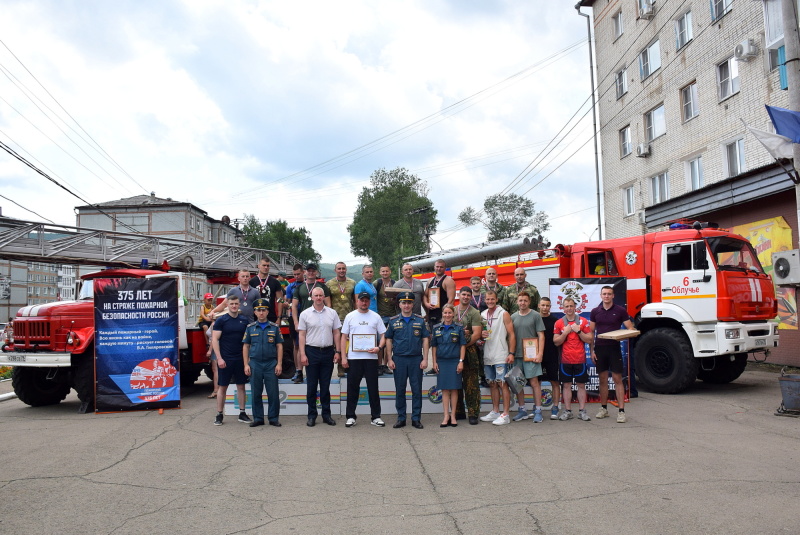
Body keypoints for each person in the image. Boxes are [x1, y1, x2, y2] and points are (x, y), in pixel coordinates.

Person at [340, 291, 387, 428]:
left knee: (373, 388)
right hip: (354, 358)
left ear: (369, 302)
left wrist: (379, 347)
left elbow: (384, 335)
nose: (364, 302)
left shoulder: (376, 317)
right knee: (352, 388)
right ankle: (350, 416)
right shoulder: (350, 316)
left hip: (371, 358)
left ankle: (376, 416)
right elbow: (343, 337)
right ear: (357, 301)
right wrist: (344, 356)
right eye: (362, 300)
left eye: (366, 300)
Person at [590, 285, 635, 423]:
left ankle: (621, 412)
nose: (607, 296)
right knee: (602, 380)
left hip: (614, 349)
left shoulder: (620, 310)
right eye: (604, 294)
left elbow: (630, 328)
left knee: (617, 379)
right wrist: (592, 350)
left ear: (613, 295)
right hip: (600, 349)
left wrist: (626, 333)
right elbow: (591, 332)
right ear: (601, 295)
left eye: (609, 294)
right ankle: (603, 409)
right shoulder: (595, 311)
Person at [385, 291, 430, 429]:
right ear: (399, 304)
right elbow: (388, 340)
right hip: (399, 359)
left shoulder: (420, 321)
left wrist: (426, 359)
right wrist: (389, 359)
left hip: (416, 359)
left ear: (412, 304)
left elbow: (425, 340)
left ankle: (416, 418)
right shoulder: (393, 321)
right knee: (400, 390)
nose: (406, 305)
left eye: (409, 302)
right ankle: (401, 418)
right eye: (404, 302)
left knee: (416, 390)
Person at [298, 287, 342, 427]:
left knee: (325, 386)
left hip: (328, 352)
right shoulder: (305, 314)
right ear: (312, 297)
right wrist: (303, 354)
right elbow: (302, 335)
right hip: (311, 352)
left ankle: (326, 415)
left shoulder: (332, 313)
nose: (318, 298)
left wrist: (338, 351)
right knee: (311, 386)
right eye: (316, 295)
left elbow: (336, 333)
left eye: (320, 295)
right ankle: (311, 415)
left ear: (324, 297)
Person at [210, 295, 252, 426]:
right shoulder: (221, 320)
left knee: (241, 386)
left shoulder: (244, 321)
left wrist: (247, 360)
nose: (234, 306)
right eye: (231, 303)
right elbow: (215, 340)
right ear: (227, 305)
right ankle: (219, 414)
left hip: (240, 359)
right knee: (222, 387)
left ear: (239, 305)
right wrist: (219, 358)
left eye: (236, 303)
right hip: (225, 359)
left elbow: (248, 342)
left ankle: (242, 413)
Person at [243, 298, 283, 428]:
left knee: (273, 393)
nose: (261, 312)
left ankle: (273, 418)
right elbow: (245, 346)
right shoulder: (250, 328)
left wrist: (279, 364)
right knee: (256, 393)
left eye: (263, 310)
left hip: (271, 363)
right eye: (258, 310)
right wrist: (246, 364)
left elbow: (279, 346)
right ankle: (258, 418)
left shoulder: (274, 328)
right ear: (255, 312)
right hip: (255, 364)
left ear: (267, 312)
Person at [478, 290, 516, 426]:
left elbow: (511, 334)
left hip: (501, 354)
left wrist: (511, 353)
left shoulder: (503, 313)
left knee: (502, 383)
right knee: (492, 383)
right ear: (484, 300)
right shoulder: (482, 315)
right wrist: (481, 336)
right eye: (487, 299)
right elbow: (481, 335)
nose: (490, 301)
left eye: (492, 299)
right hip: (488, 354)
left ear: (497, 299)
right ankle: (495, 411)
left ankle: (505, 414)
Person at [553, 297, 593, 422]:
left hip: (580, 359)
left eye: (571, 306)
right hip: (565, 361)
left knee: (581, 385)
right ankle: (568, 411)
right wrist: (565, 333)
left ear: (575, 307)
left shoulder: (583, 321)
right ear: (563, 308)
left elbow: (590, 339)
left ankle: (582, 411)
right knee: (566, 385)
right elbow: (556, 342)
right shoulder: (559, 323)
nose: (569, 308)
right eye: (567, 306)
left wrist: (579, 331)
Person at [291, 263, 332, 384]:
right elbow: (293, 306)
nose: (311, 273)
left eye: (313, 271)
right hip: (304, 321)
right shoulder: (299, 287)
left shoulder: (322, 287)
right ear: (305, 272)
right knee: (299, 346)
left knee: (316, 346)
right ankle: (299, 371)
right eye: (308, 271)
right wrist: (295, 322)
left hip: (319, 321)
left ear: (316, 272)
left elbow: (328, 305)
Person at [510, 291, 546, 423]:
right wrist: (511, 353)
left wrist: (540, 353)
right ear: (517, 302)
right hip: (517, 356)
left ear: (529, 302)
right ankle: (522, 410)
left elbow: (541, 335)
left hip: (531, 356)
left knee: (534, 383)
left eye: (525, 300)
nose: (523, 303)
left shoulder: (536, 315)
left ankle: (538, 410)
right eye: (520, 300)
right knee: (518, 384)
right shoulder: (513, 317)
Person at [430, 304, 466, 427]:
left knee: (454, 389)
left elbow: (462, 345)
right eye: (445, 313)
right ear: (442, 314)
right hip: (442, 361)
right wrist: (434, 362)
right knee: (445, 389)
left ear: (453, 314)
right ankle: (446, 415)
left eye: (449, 313)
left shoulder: (458, 328)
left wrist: (461, 361)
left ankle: (453, 415)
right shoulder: (436, 328)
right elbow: (434, 346)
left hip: (454, 361)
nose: (447, 315)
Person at [453, 286, 483, 425]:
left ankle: (473, 413)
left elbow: (477, 334)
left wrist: (464, 345)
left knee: (471, 384)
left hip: (470, 351)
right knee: (456, 382)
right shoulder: (452, 311)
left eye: (468, 295)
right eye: (463, 294)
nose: (465, 297)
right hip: (453, 351)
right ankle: (459, 411)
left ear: (471, 297)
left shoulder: (475, 312)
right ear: (459, 295)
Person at [326, 261, 356, 378]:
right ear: (335, 270)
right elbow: (327, 302)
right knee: (336, 344)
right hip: (335, 317)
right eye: (339, 269)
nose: (341, 270)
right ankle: (338, 368)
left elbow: (355, 300)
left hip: (349, 317)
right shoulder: (329, 284)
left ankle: (348, 367)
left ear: (346, 270)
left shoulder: (352, 283)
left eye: (343, 268)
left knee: (349, 343)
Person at [538, 297, 563, 420]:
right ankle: (536, 407)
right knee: (537, 383)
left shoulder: (555, 321)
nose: (545, 308)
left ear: (550, 306)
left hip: (552, 355)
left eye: (547, 305)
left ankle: (555, 407)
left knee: (554, 381)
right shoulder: (535, 319)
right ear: (539, 305)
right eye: (543, 305)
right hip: (537, 356)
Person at [375, 264, 397, 376]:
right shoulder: (377, 283)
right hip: (380, 316)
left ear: (390, 272)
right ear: (380, 272)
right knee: (380, 342)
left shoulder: (394, 283)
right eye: (383, 271)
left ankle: (386, 364)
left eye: (386, 271)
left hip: (392, 316)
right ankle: (379, 365)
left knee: (390, 342)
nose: (385, 273)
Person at [284, 264, 305, 383]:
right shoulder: (290, 286)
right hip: (294, 317)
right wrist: (287, 305)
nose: (296, 276)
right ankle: (298, 370)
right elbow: (287, 301)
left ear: (303, 273)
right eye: (295, 274)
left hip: (308, 316)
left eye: (298, 274)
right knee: (296, 344)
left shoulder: (309, 285)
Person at [423, 259, 456, 331]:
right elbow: (425, 295)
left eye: (441, 267)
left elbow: (451, 300)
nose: (439, 269)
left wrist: (445, 316)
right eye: (437, 267)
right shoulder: (430, 280)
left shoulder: (448, 281)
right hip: (431, 315)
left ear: (445, 268)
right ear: (434, 267)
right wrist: (426, 304)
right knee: (432, 338)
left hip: (442, 317)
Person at [250, 257, 284, 323]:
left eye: (268, 266)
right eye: (264, 265)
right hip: (255, 317)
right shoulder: (252, 281)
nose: (266, 267)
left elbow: (280, 300)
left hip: (271, 316)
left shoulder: (275, 282)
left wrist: (279, 317)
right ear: (259, 266)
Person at [205, 315, 218, 399]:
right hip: (215, 347)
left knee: (215, 370)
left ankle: (216, 390)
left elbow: (214, 339)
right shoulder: (214, 324)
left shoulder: (214, 324)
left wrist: (210, 350)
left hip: (214, 348)